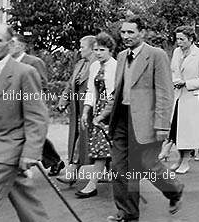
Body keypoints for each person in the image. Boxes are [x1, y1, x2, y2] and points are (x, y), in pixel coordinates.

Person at [94, 16, 184, 222]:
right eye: (123, 32)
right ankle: (127, 211)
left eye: (130, 32)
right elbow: (117, 91)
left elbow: (165, 92)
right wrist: (104, 114)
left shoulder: (156, 55)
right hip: (122, 120)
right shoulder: (122, 56)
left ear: (142, 33)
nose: (125, 36)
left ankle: (174, 189)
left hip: (146, 121)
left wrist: (162, 126)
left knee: (147, 164)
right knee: (119, 167)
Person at [0, 24, 57, 222]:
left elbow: (37, 115)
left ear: (11, 44)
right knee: (19, 189)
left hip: (10, 146)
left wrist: (31, 152)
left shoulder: (24, 73)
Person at [9, 34, 65, 177]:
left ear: (21, 46)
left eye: (12, 43)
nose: (8, 46)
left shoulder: (34, 62)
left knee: (33, 134)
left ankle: (54, 161)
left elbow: (42, 84)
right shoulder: (8, 62)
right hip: (11, 106)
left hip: (29, 104)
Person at [159, 26, 199, 174]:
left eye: (182, 39)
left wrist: (186, 83)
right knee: (177, 130)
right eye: (177, 39)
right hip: (179, 96)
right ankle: (179, 159)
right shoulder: (177, 52)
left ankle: (186, 162)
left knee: (188, 132)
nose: (179, 42)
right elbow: (173, 71)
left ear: (191, 39)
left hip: (194, 99)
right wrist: (175, 81)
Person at [76, 32, 118, 198]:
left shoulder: (116, 66)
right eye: (95, 50)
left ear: (110, 50)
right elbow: (90, 91)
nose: (98, 53)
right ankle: (114, 179)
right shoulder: (94, 67)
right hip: (98, 109)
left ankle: (92, 184)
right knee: (103, 147)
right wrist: (86, 111)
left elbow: (115, 93)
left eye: (102, 50)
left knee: (105, 147)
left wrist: (106, 113)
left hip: (111, 110)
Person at [55, 35, 95, 185]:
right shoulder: (79, 64)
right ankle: (73, 172)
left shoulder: (97, 63)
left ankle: (72, 172)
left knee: (89, 140)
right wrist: (63, 100)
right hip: (77, 108)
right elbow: (69, 85)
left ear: (91, 48)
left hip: (91, 108)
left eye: (82, 46)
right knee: (79, 137)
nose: (80, 49)